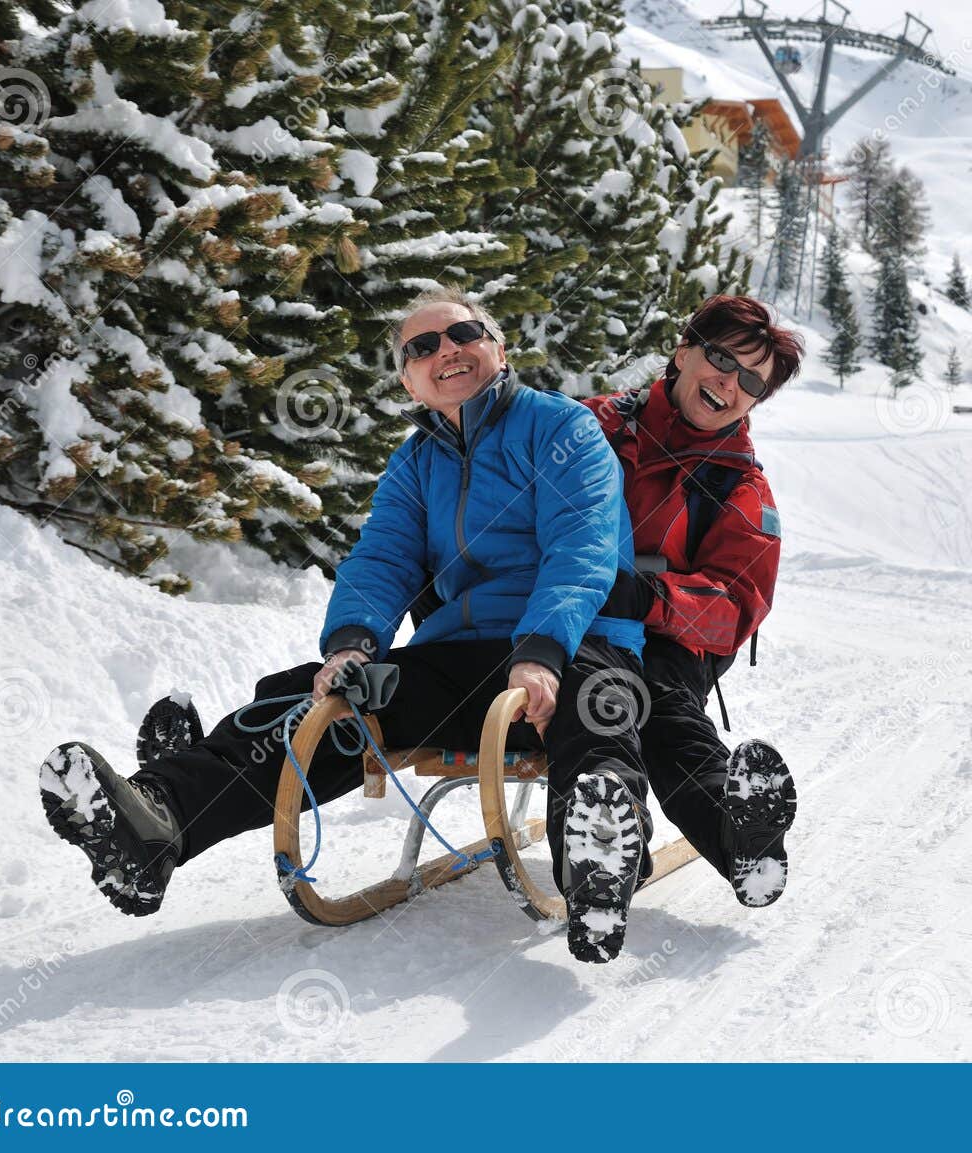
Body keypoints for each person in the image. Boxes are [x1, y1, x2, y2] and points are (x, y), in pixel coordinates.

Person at [39, 286, 657, 964]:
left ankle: (596, 861)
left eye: (463, 333)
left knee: (594, 708)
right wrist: (354, 645)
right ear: (409, 380)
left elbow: (581, 545)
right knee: (318, 703)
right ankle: (159, 820)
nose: (446, 350)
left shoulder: (561, 429)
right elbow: (383, 557)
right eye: (423, 347)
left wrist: (540, 651)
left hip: (572, 642)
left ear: (498, 348)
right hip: (458, 660)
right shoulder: (415, 464)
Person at [585, 295, 802, 908]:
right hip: (565, 618)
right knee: (599, 694)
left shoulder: (740, 485)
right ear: (682, 351)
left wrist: (652, 598)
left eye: (751, 381)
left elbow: (737, 605)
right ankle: (610, 830)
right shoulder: (591, 426)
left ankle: (739, 835)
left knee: (654, 708)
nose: (729, 385)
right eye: (721, 359)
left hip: (666, 641)